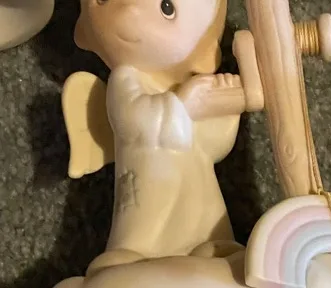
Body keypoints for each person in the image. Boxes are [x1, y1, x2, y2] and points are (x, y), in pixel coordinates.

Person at [72, 0, 244, 272]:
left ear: (206, 55)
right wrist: (183, 105)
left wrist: (227, 109)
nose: (130, 9)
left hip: (197, 184)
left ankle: (210, 249)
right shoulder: (125, 80)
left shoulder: (188, 87)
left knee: (208, 231)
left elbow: (212, 147)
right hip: (149, 179)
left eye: (167, 8)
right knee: (143, 234)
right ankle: (135, 258)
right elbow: (135, 122)